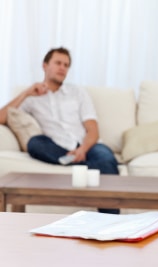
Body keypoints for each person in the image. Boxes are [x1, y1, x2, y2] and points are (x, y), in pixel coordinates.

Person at [0, 47, 120, 214]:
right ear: (45, 65)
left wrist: (82, 150)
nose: (63, 68)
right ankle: (88, 166)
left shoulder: (78, 92)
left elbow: (93, 130)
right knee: (34, 143)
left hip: (88, 146)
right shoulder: (32, 98)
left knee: (106, 158)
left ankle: (110, 222)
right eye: (58, 63)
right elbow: (2, 118)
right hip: (57, 148)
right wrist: (26, 93)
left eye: (66, 65)